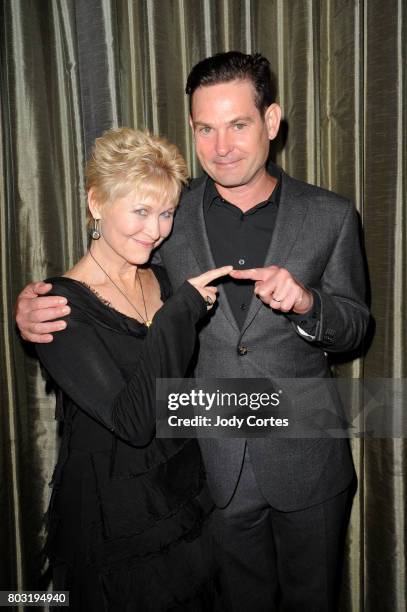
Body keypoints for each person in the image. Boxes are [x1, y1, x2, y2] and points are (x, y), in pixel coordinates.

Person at [16, 52, 370, 611]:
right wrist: (30, 307)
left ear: (271, 122)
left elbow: (355, 328)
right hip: (207, 473)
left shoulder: (330, 215)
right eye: (205, 128)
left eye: (238, 125)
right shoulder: (170, 215)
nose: (221, 146)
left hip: (308, 462)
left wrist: (309, 304)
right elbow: (110, 275)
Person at [24, 127, 232, 611]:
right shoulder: (58, 307)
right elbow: (134, 422)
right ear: (96, 202)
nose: (155, 229)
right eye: (140, 211)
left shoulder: (159, 275)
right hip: (115, 520)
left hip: (182, 497)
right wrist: (178, 314)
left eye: (166, 213)